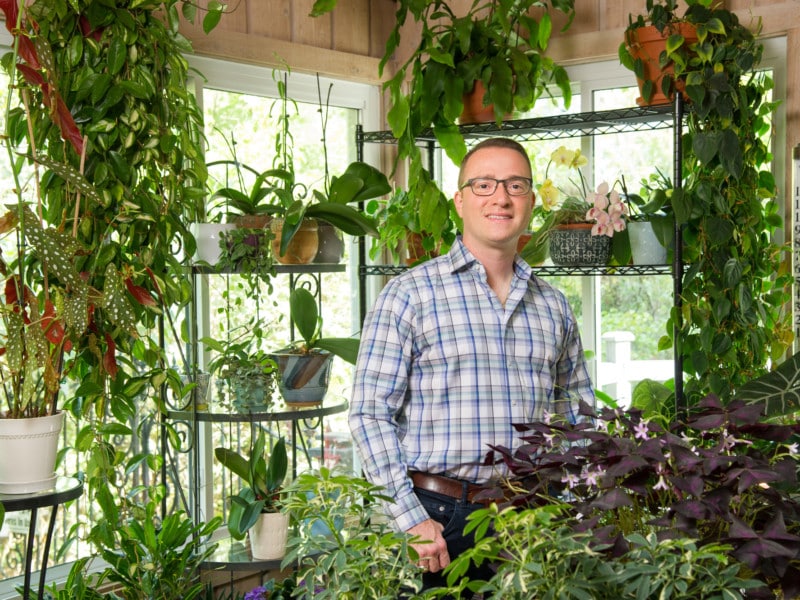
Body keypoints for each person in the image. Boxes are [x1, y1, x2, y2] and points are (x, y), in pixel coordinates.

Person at [348, 137, 595, 588]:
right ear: (460, 201)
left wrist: (573, 507)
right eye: (484, 185)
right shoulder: (409, 295)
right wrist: (410, 519)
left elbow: (577, 415)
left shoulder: (553, 305)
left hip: (531, 521)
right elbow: (369, 415)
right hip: (436, 522)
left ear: (531, 202)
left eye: (516, 185)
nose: (501, 197)